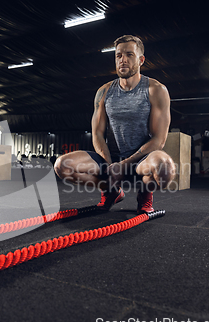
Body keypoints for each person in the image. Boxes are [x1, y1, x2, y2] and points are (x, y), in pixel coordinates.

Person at [54, 35, 176, 213]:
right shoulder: (104, 92)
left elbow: (159, 140)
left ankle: (145, 194)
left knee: (165, 170)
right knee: (61, 166)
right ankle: (111, 192)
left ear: (141, 60)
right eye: (118, 55)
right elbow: (97, 133)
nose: (123, 60)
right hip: (110, 159)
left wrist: (124, 165)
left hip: (141, 160)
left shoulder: (156, 90)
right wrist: (110, 166)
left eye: (129, 54)